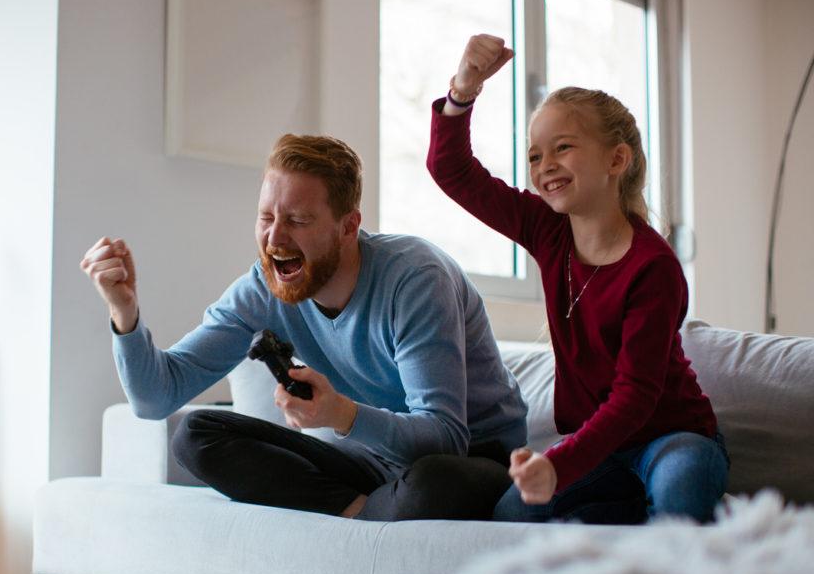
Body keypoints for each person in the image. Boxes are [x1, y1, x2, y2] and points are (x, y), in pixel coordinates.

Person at [81, 133, 527, 521]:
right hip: (372, 465)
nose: (275, 239)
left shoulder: (414, 279)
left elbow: (445, 439)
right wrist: (125, 313)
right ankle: (364, 513)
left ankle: (364, 511)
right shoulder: (263, 287)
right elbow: (154, 398)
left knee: (432, 481)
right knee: (196, 436)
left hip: (473, 458)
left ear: (348, 226)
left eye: (297, 220)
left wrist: (341, 415)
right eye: (266, 218)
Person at [426, 34, 729, 523]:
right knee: (511, 517)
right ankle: (625, 510)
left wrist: (559, 466)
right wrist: (463, 91)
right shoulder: (546, 230)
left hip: (672, 438)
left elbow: (634, 398)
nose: (545, 166)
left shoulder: (654, 266)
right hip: (601, 449)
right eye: (534, 156)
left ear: (616, 160)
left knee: (680, 489)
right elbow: (452, 170)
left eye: (562, 148)